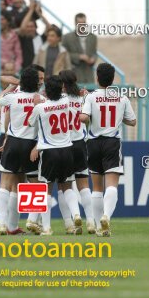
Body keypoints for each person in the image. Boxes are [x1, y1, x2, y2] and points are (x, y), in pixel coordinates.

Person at [79, 63, 136, 236]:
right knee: (112, 185)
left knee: (96, 187)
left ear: (97, 78)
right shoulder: (121, 97)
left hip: (93, 142)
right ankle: (106, 218)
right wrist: (118, 118)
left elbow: (84, 118)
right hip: (112, 142)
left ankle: (98, 226)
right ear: (113, 79)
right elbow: (132, 121)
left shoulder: (91, 97)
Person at [28, 75, 81, 236]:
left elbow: (30, 123)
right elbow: (71, 95)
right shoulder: (65, 101)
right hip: (67, 149)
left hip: (49, 151)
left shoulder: (40, 107)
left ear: (46, 91)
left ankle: (47, 227)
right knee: (67, 187)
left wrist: (37, 103)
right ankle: (76, 215)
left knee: (46, 190)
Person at [0, 67, 42, 235]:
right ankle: (31, 220)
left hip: (12, 143)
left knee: (5, 185)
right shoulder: (41, 99)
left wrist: (9, 86)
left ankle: (2, 224)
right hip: (30, 145)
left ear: (22, 82)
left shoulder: (12, 98)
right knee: (35, 185)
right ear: (37, 82)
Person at [59, 69, 95, 234]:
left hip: (64, 144)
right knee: (84, 185)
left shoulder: (59, 100)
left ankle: (72, 219)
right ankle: (91, 221)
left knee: (64, 186)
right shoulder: (83, 98)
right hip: (80, 143)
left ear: (62, 84)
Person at [62, 13, 98, 84]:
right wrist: (79, 57)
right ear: (75, 23)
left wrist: (93, 58)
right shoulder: (67, 37)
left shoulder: (93, 37)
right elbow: (63, 55)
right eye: (79, 23)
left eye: (84, 23)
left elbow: (94, 52)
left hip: (89, 76)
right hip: (74, 76)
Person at [17, 0, 49, 68]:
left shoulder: (41, 37)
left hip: (41, 69)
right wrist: (31, 10)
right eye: (28, 27)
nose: (30, 28)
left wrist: (38, 12)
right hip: (27, 69)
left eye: (32, 26)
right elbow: (22, 28)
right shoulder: (23, 38)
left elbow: (48, 27)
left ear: (36, 27)